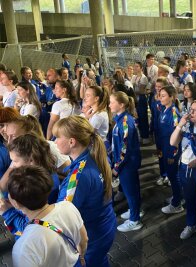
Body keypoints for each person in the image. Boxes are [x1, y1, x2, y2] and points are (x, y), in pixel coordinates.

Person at [53, 115, 116, 266]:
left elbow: (62, 216)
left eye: (57, 137)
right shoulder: (95, 155)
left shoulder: (78, 177)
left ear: (72, 141)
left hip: (92, 236)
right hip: (104, 226)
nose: (55, 141)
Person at [4, 166, 88, 267]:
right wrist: (81, 257)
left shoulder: (23, 247)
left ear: (16, 204)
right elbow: (84, 239)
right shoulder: (68, 207)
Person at [170, 100, 196, 242]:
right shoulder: (186, 127)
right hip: (185, 166)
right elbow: (172, 142)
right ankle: (191, 224)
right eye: (191, 109)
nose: (192, 113)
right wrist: (180, 125)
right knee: (189, 197)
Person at [109, 92, 143, 232]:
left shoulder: (125, 122)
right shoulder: (119, 119)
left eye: (112, 102)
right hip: (125, 164)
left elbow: (125, 149)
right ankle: (135, 210)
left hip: (127, 164)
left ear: (121, 104)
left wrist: (117, 167)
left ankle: (135, 220)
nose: (109, 104)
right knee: (132, 190)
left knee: (131, 191)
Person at [7, 134, 60, 204]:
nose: (13, 165)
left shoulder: (43, 185)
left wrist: (8, 210)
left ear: (31, 160)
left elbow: (32, 213)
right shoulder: (37, 176)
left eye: (15, 161)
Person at [159, 86, 184, 214]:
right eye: (160, 95)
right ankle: (177, 195)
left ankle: (177, 204)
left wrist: (172, 154)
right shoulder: (164, 110)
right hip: (165, 148)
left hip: (171, 152)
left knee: (174, 176)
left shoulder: (174, 113)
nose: (160, 98)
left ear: (171, 97)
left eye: (163, 95)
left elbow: (177, 136)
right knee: (172, 175)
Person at [151, 77, 170, 186]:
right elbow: (154, 115)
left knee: (168, 154)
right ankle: (162, 173)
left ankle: (169, 174)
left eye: (160, 87)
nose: (158, 89)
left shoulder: (166, 99)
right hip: (158, 131)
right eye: (156, 87)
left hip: (166, 132)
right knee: (160, 154)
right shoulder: (154, 98)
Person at [131, 61, 150, 145]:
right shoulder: (134, 77)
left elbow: (141, 91)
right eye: (134, 66)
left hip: (141, 99)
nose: (135, 68)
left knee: (143, 118)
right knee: (136, 118)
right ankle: (140, 136)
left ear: (141, 68)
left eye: (137, 66)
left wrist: (134, 90)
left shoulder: (143, 78)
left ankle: (145, 136)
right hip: (135, 99)